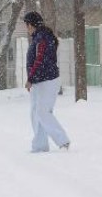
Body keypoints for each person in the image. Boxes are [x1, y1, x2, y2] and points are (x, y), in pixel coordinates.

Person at [24, 11, 70, 153]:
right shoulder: (39, 37)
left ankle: (63, 141)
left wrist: (30, 78)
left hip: (48, 81)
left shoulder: (43, 38)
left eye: (27, 25)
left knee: (43, 112)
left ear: (31, 25)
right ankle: (40, 146)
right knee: (35, 113)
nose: (27, 29)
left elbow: (40, 59)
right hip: (39, 81)